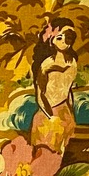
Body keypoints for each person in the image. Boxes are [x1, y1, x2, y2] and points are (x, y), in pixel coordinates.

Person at [29, 17, 78, 154]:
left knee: (65, 150)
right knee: (48, 153)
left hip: (64, 111)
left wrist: (70, 111)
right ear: (51, 40)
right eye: (59, 38)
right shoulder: (46, 64)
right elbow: (40, 94)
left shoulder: (73, 62)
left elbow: (68, 89)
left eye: (68, 37)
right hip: (48, 113)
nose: (64, 41)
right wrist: (51, 116)